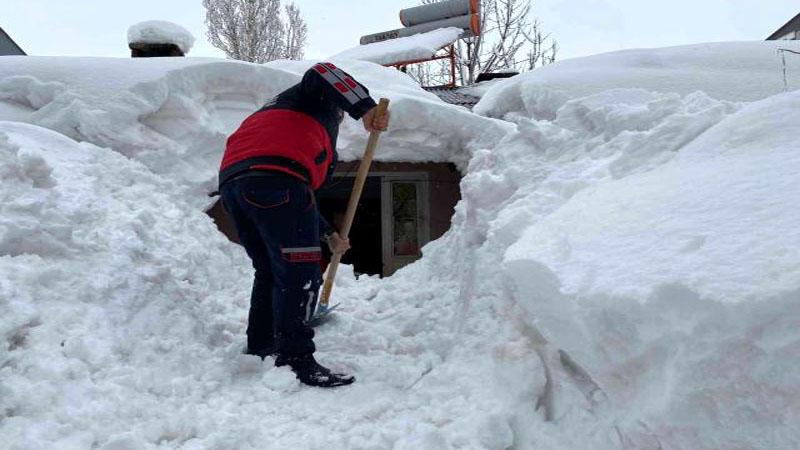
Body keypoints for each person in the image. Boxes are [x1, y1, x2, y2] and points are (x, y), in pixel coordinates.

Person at [218, 62, 389, 388]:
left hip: (237, 185)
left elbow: (298, 200)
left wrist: (327, 235)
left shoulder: (283, 122)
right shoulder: (309, 96)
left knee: (269, 269)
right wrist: (365, 107)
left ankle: (261, 344)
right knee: (300, 272)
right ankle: (296, 358)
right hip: (277, 178)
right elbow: (323, 71)